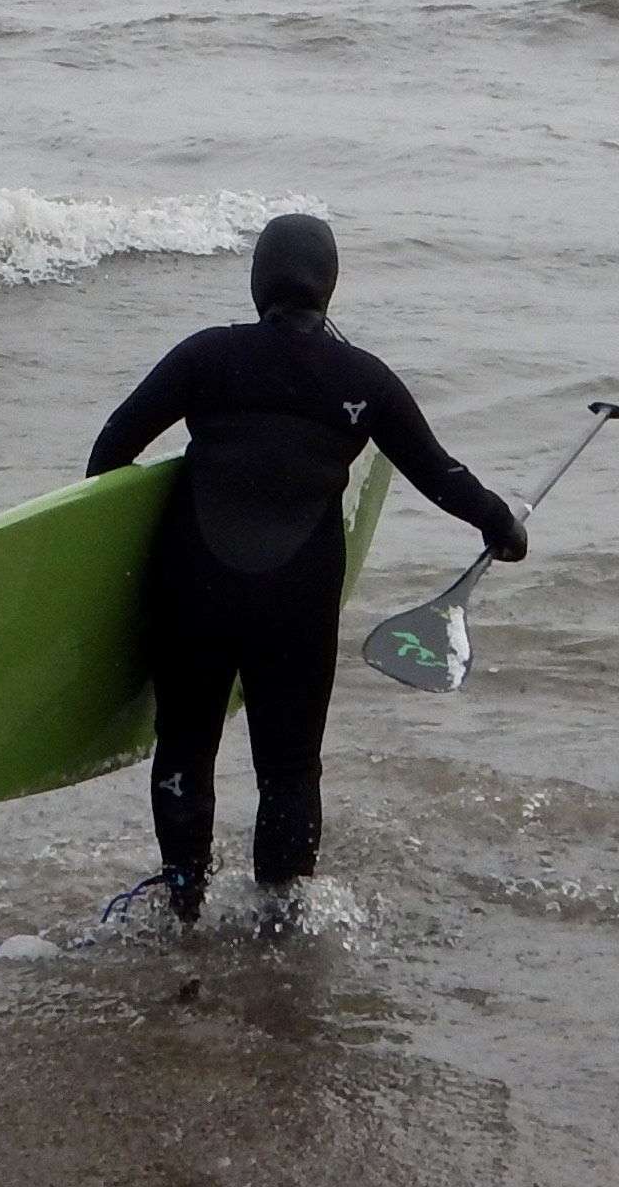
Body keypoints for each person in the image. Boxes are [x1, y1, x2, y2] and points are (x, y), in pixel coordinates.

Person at [86, 212, 526, 923]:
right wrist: (499, 523)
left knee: (186, 744)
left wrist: (124, 573)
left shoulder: (206, 356)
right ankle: (283, 916)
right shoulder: (365, 379)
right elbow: (438, 473)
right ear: (329, 285)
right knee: (289, 767)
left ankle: (181, 897)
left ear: (258, 280)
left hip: (194, 587)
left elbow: (109, 454)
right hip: (298, 596)